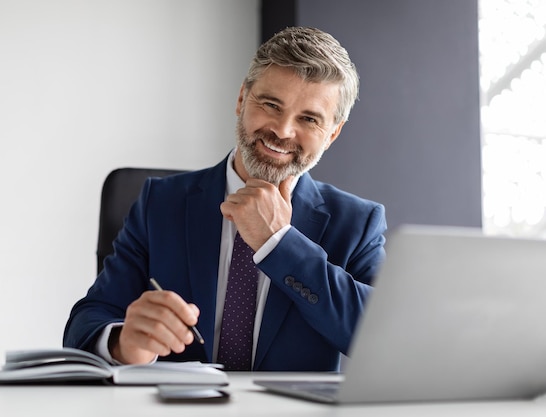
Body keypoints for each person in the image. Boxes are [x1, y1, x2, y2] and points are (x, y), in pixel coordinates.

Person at [63, 26, 386, 371]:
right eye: (270, 104)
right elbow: (86, 322)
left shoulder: (356, 222)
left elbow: (384, 338)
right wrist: (123, 341)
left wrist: (279, 244)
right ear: (241, 99)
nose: (282, 130)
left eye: (308, 118)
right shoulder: (160, 202)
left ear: (332, 134)